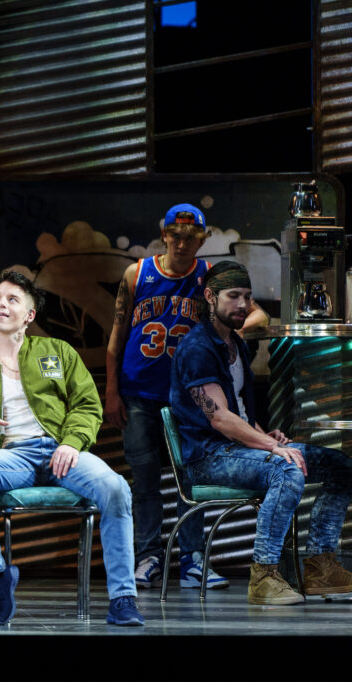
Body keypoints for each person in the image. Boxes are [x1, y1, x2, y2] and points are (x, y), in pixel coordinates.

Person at [170, 261, 352, 605]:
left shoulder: (232, 344)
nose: (242, 304)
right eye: (233, 296)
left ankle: (320, 566)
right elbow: (219, 418)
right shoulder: (198, 348)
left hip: (234, 450)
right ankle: (264, 576)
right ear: (210, 296)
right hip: (207, 457)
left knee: (339, 465)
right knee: (286, 468)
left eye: (248, 297)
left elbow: (236, 412)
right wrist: (269, 446)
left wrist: (266, 436)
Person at [0, 270, 144, 626]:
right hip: (12, 456)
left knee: (116, 488)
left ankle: (123, 598)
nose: (1, 305)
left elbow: (87, 405)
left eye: (12, 300)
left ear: (30, 316)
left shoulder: (57, 352)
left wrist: (71, 443)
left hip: (62, 451)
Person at [104, 203, 228, 590]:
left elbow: (250, 312)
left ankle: (193, 560)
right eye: (176, 234)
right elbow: (117, 336)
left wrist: (231, 336)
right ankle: (148, 557)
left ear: (202, 239)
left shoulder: (210, 277)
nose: (182, 241)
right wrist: (111, 391)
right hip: (139, 391)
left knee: (191, 481)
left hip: (189, 397)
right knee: (144, 483)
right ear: (165, 233)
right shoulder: (137, 272)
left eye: (191, 236)